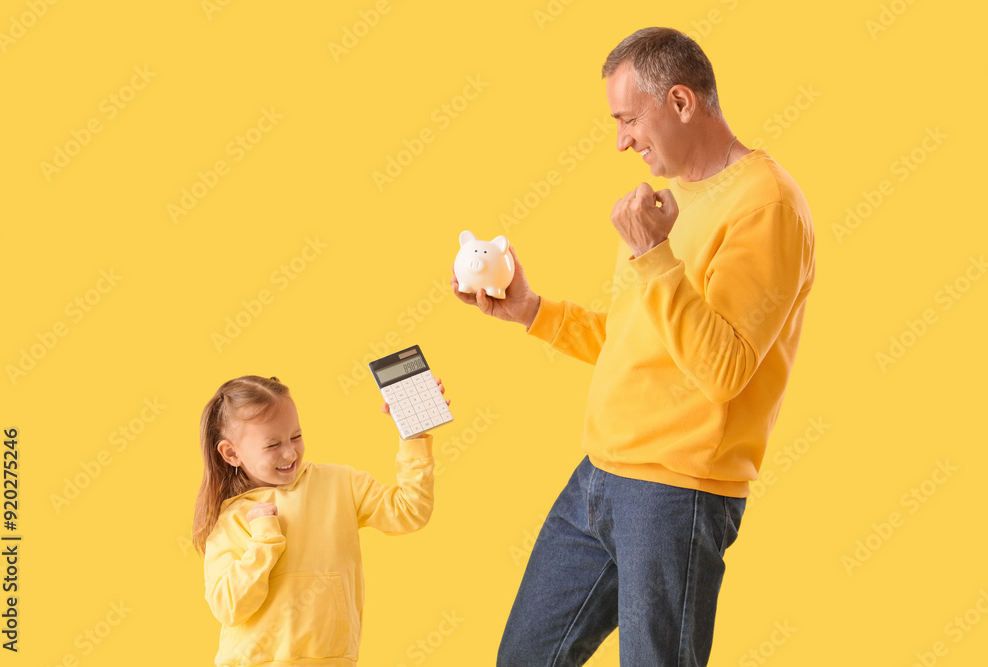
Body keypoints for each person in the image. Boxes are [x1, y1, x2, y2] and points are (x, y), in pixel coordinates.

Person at [453, 27, 816, 667]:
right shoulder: (671, 205)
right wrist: (533, 312)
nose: (621, 139)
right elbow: (641, 343)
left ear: (680, 102)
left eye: (628, 118)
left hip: (677, 491)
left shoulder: (767, 206)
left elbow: (725, 368)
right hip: (600, 475)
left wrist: (653, 254)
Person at [192, 374, 447, 666]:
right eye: (272, 444)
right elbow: (228, 608)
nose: (289, 452)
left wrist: (412, 437)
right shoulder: (231, 520)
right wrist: (263, 543)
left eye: (296, 436)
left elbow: (409, 512)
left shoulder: (339, 483)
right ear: (231, 453)